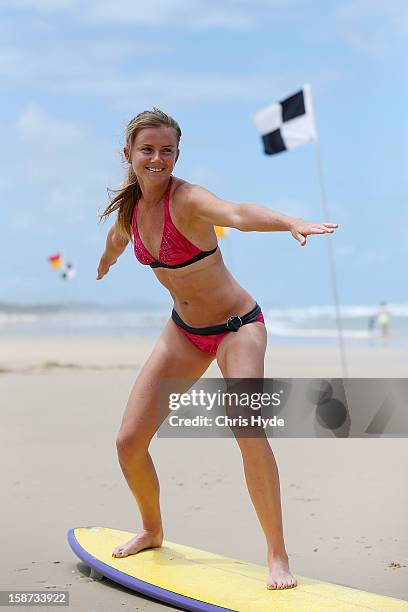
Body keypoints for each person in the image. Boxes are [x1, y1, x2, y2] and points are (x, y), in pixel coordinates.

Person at [96, 108, 338, 590]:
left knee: (246, 427)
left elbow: (237, 214)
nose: (158, 158)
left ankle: (277, 556)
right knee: (128, 442)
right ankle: (151, 528)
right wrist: (104, 264)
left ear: (177, 154)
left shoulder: (188, 200)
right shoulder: (128, 209)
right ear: (129, 155)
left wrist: (289, 220)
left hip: (236, 327)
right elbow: (117, 241)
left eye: (167, 149)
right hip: (184, 330)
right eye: (148, 149)